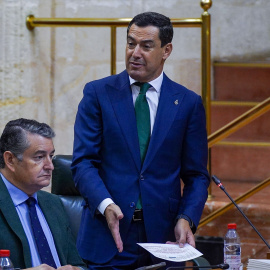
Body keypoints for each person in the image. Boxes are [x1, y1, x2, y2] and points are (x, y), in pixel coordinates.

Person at [72, 11, 210, 270]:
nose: (135, 52)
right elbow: (83, 162)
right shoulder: (97, 94)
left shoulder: (188, 103)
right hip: (107, 236)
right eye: (130, 43)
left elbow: (197, 175)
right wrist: (105, 204)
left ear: (166, 50)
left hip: (163, 240)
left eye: (146, 46)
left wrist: (187, 217)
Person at [0, 118, 86, 270]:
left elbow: (78, 263)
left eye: (51, 156)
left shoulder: (54, 203)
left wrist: (75, 269)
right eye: (39, 157)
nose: (50, 166)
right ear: (10, 160)